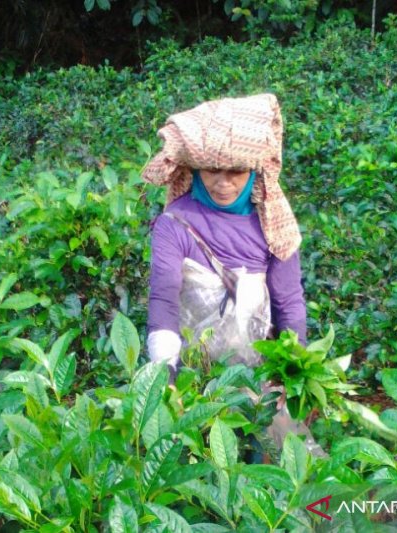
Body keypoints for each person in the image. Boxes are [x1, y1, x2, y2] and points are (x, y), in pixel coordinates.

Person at [142, 93, 322, 456]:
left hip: (259, 375)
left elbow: (289, 302)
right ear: (194, 171)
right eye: (211, 171)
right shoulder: (173, 224)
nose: (223, 183)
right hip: (195, 374)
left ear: (254, 171)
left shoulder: (273, 225)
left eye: (236, 172)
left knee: (290, 469)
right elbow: (164, 299)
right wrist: (167, 380)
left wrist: (291, 372)